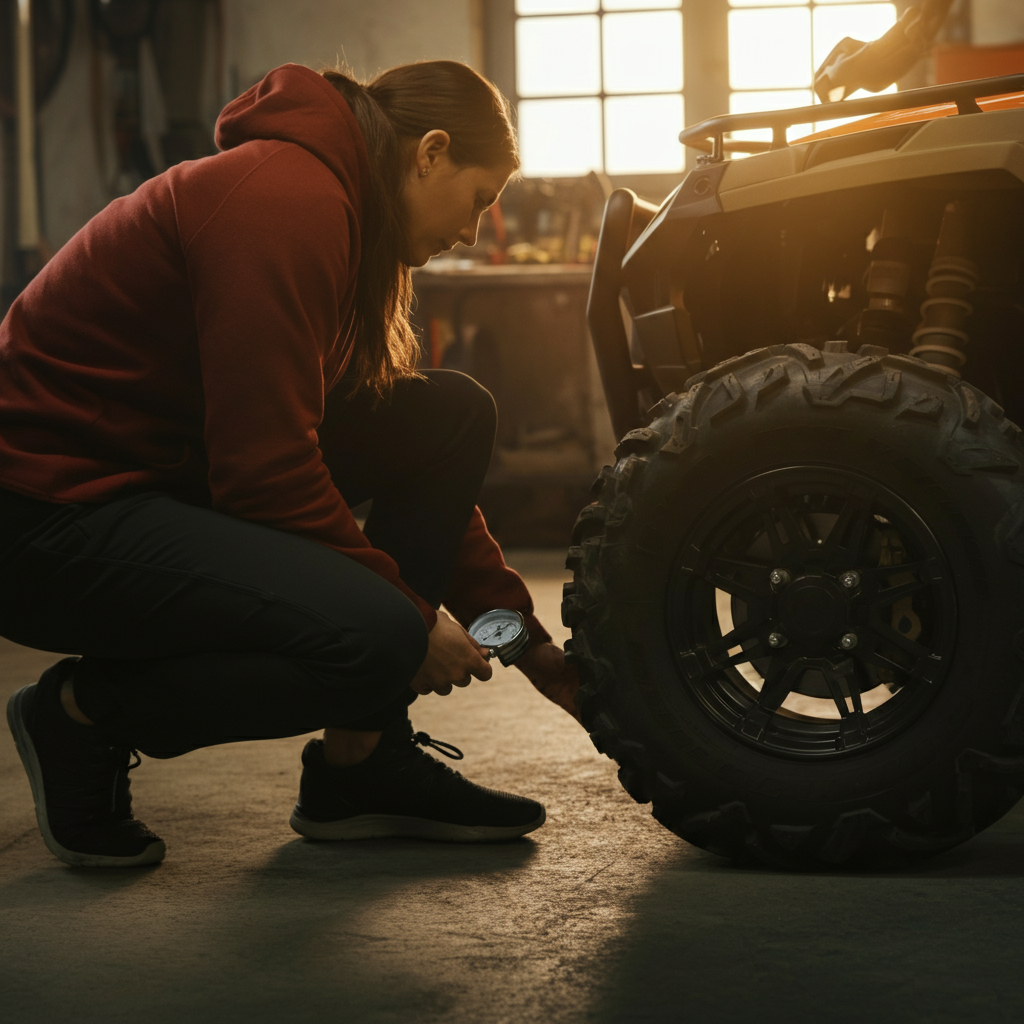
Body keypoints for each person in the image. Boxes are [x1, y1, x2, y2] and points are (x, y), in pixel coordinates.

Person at [1, 60, 580, 869]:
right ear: (431, 151)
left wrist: (526, 645)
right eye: (480, 198)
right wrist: (414, 619)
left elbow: (350, 446)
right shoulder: (289, 198)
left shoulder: (334, 204)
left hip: (157, 479)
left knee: (449, 414)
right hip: (45, 521)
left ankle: (360, 766)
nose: (472, 232)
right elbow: (265, 470)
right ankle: (79, 713)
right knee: (376, 638)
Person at [814, 0, 954, 103]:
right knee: (919, 26)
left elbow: (848, 43)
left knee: (918, 25)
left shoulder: (854, 73)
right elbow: (847, 43)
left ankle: (915, 36)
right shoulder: (864, 77)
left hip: (879, 60)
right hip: (878, 62)